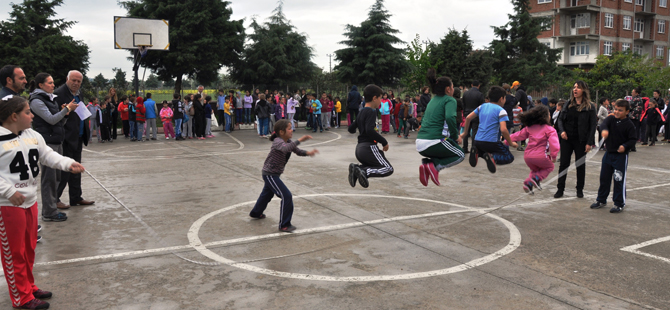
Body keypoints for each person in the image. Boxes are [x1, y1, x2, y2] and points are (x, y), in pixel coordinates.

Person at [0, 96, 85, 310]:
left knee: (28, 249)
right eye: (28, 112)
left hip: (30, 201)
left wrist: (68, 163)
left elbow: (48, 155)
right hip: (8, 206)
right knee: (14, 253)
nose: (32, 116)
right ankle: (21, 297)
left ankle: (28, 287)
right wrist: (8, 191)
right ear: (14, 116)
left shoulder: (33, 135)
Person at [248, 120, 318, 232]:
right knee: (287, 196)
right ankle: (284, 225)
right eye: (289, 128)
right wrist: (300, 140)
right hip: (270, 174)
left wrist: (308, 153)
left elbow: (297, 150)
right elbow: (285, 148)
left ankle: (256, 213)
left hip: (274, 174)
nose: (292, 130)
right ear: (281, 132)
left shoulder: (288, 141)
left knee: (266, 195)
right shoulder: (277, 141)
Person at [29, 72, 78, 223]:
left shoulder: (51, 99)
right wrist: (66, 110)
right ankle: (48, 212)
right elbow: (50, 120)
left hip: (57, 140)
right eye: (49, 83)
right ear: (41, 85)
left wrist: (65, 114)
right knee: (49, 178)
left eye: (53, 83)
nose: (53, 85)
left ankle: (52, 207)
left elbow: (58, 122)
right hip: (47, 142)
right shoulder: (37, 101)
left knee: (57, 176)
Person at [416, 70, 465, 186]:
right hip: (435, 140)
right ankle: (434, 166)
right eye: (453, 86)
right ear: (448, 89)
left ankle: (427, 164)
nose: (454, 89)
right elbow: (449, 117)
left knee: (449, 149)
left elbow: (423, 120)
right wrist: (455, 136)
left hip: (420, 143)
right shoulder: (450, 100)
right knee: (460, 154)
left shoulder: (432, 100)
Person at [54, 70, 95, 208]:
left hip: (78, 136)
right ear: (67, 79)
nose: (76, 83)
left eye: (79, 81)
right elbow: (56, 116)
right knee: (65, 170)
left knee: (77, 170)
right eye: (73, 80)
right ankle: (55, 199)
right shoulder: (59, 94)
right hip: (66, 138)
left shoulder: (79, 94)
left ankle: (76, 197)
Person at [590, 99, 637, 213]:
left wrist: (625, 146)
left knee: (618, 179)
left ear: (627, 112)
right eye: (615, 109)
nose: (616, 112)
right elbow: (603, 124)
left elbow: (633, 139)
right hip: (608, 154)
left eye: (620, 110)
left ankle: (619, 203)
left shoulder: (629, 125)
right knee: (604, 178)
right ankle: (601, 199)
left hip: (620, 157)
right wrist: (604, 130)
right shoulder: (611, 119)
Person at [554, 80, 598, 199]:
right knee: (564, 164)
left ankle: (579, 189)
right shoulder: (568, 104)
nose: (575, 89)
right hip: (567, 139)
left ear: (584, 90)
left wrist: (589, 142)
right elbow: (560, 120)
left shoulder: (590, 107)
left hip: (581, 140)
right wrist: (562, 131)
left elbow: (593, 126)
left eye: (578, 88)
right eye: (574, 87)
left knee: (580, 165)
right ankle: (560, 189)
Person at [460, 86, 517, 174]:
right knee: (508, 157)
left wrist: (465, 132)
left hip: (477, 141)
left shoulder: (482, 106)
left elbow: (468, 118)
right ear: (501, 99)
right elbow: (504, 129)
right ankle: (492, 156)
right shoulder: (501, 111)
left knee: (484, 149)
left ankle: (478, 153)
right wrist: (511, 143)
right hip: (491, 142)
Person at [348, 84, 393, 188]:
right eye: (380, 98)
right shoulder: (372, 111)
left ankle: (356, 169)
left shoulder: (361, 112)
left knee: (376, 166)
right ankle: (364, 171)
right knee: (388, 168)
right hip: (369, 147)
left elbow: (351, 129)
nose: (381, 101)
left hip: (359, 149)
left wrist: (359, 125)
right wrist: (384, 142)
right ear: (374, 98)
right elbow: (369, 130)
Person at [507, 105, 559, 194]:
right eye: (549, 114)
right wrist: (554, 156)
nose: (550, 116)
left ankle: (528, 184)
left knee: (535, 170)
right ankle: (536, 179)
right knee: (550, 166)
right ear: (545, 117)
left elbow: (518, 135)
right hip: (540, 156)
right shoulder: (550, 129)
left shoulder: (529, 128)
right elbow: (554, 144)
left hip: (528, 157)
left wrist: (506, 140)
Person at [462, 80, 485, 153]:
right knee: (475, 132)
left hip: (467, 114)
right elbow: (482, 106)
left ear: (471, 85)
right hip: (476, 115)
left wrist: (465, 112)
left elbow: (463, 104)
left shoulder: (465, 93)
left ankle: (465, 147)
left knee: (466, 132)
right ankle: (474, 148)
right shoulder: (480, 94)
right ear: (479, 85)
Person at [629, 86, 643, 151]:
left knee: (631, 131)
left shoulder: (635, 99)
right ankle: (633, 146)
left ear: (637, 93)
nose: (632, 93)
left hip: (633, 116)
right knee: (635, 131)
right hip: (637, 117)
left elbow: (630, 107)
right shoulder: (640, 99)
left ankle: (631, 146)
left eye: (633, 92)